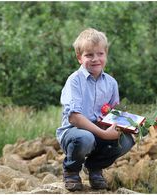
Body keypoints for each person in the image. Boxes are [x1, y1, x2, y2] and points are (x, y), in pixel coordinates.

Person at [56, 28, 135, 191]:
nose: (95, 59)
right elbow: (74, 118)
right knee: (85, 138)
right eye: (89, 55)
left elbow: (114, 113)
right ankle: (71, 170)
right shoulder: (75, 81)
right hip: (74, 132)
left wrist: (132, 125)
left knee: (126, 140)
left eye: (100, 54)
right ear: (79, 58)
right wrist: (105, 134)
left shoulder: (111, 83)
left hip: (99, 131)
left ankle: (94, 167)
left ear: (106, 54)